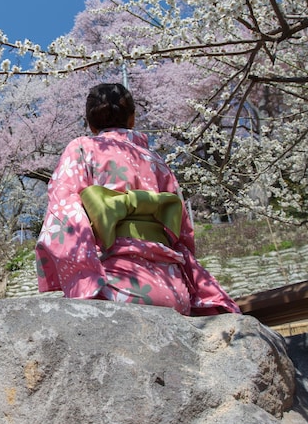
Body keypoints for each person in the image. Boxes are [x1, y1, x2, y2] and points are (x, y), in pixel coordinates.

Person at [35, 82, 240, 316]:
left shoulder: (81, 148)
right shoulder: (156, 161)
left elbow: (63, 214)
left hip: (115, 287)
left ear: (90, 124)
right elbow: (182, 232)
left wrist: (82, 279)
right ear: (132, 119)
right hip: (173, 289)